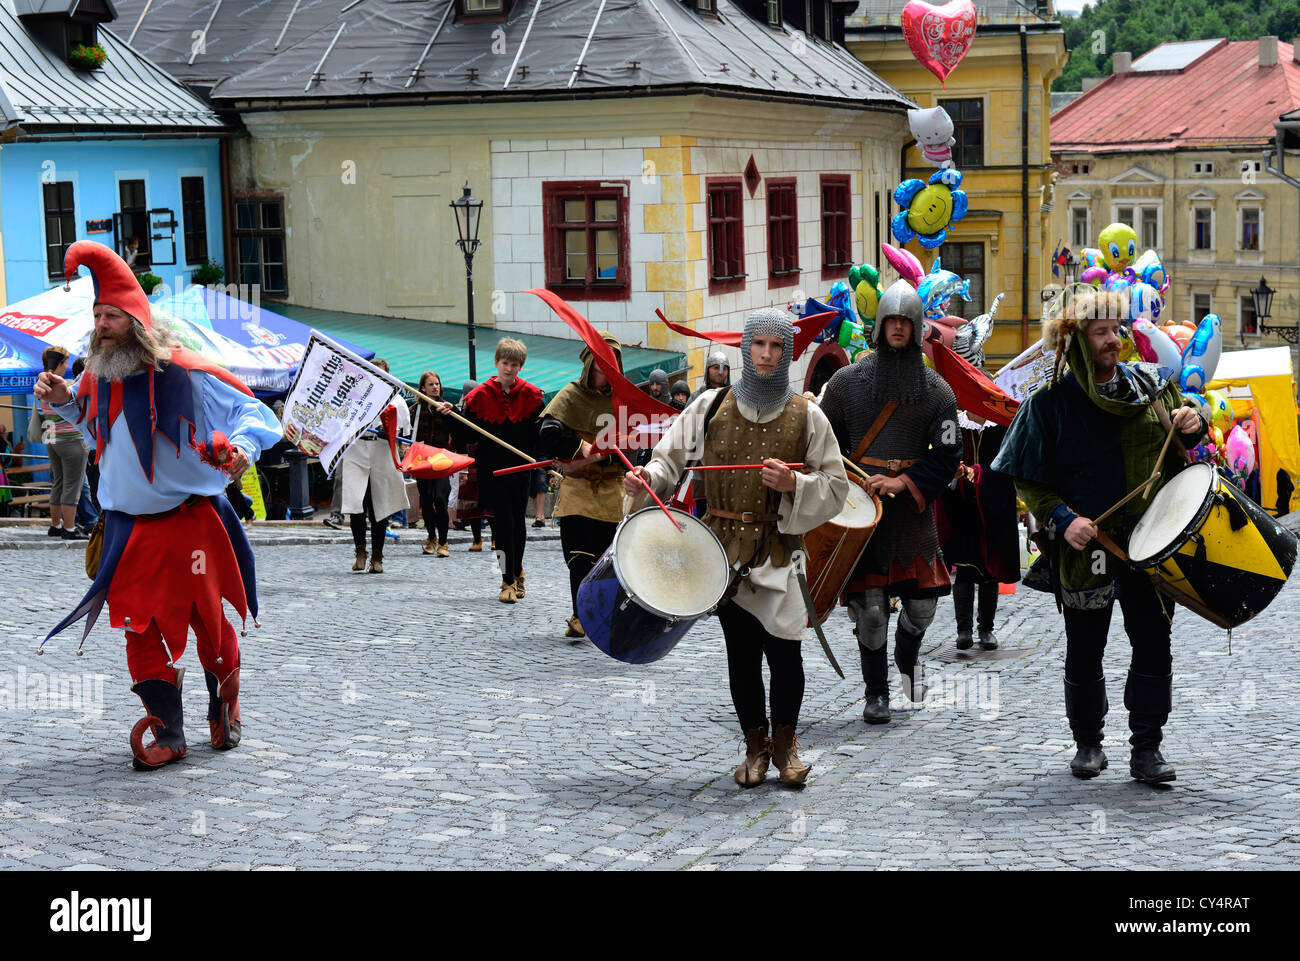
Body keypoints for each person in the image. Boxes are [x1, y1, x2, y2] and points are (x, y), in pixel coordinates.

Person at [37, 240, 281, 770]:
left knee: (209, 627)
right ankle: (168, 730)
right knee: (138, 628)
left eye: (113, 316)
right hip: (130, 530)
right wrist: (64, 403)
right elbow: (99, 428)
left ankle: (225, 701)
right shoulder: (95, 377)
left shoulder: (188, 374)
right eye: (97, 315)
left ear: (139, 323)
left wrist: (242, 449)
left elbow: (256, 413)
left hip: (192, 524)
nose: (101, 325)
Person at [624, 307, 848, 787]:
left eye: (775, 346)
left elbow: (835, 487)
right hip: (723, 554)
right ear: (746, 349)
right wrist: (646, 479)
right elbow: (669, 462)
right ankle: (754, 746)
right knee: (741, 655)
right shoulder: (708, 406)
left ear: (787, 353)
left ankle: (786, 748)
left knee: (785, 653)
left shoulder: (808, 415)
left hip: (780, 552)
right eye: (759, 345)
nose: (766, 355)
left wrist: (794, 484)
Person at [992, 289, 1206, 784]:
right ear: (1077, 340)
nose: (1114, 339)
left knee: (1154, 643)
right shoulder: (1050, 404)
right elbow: (1026, 476)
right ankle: (1088, 743)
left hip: (1152, 545)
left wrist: (1193, 423)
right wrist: (1063, 519)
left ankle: (1147, 748)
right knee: (1084, 646)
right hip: (1088, 548)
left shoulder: (1153, 387)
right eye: (1101, 332)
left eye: (1117, 329)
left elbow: (1186, 439)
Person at [820, 280, 962, 726]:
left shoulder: (938, 392)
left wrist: (904, 482)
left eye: (906, 321)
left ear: (917, 326)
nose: (898, 327)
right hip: (864, 511)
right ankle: (876, 693)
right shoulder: (846, 383)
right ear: (880, 325)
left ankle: (908, 652)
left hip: (911, 514)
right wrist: (852, 487)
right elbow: (824, 444)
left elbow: (949, 454)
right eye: (892, 320)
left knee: (921, 609)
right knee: (872, 610)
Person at [537, 330, 627, 638]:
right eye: (600, 365)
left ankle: (598, 614)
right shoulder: (572, 394)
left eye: (610, 365)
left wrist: (593, 458)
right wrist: (582, 449)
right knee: (578, 556)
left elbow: (632, 447)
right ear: (590, 364)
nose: (604, 372)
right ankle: (579, 616)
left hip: (611, 490)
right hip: (577, 488)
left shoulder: (624, 399)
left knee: (604, 560)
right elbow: (548, 433)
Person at [443, 339, 543, 603]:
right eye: (505, 363)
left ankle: (517, 571)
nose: (509, 369)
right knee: (500, 525)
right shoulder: (479, 396)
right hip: (491, 469)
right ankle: (506, 578)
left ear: (520, 366)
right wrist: (451, 415)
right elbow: (465, 436)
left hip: (520, 467)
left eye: (514, 364)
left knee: (517, 522)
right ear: (497, 363)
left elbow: (539, 434)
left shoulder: (532, 396)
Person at [939, 423, 1019, 650]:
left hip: (994, 507)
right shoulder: (954, 427)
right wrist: (955, 472)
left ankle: (986, 629)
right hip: (961, 508)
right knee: (964, 569)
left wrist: (979, 472)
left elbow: (1008, 465)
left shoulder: (1001, 428)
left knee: (989, 572)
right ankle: (963, 631)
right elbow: (942, 459)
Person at [338, 358, 410, 574]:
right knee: (356, 504)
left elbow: (403, 435)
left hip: (382, 450)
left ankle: (377, 557)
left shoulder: (397, 401)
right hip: (357, 449)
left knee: (381, 505)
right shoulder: (353, 397)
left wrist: (394, 435)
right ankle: (360, 552)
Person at [36, 346, 90, 540]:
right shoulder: (64, 385)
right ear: (58, 363)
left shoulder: (41, 383)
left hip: (52, 440)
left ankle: (55, 525)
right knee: (73, 485)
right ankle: (69, 528)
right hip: (71, 441)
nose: (67, 365)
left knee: (58, 482)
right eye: (65, 362)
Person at [410, 371, 453, 557]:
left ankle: (443, 542)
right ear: (423, 388)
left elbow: (459, 434)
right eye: (431, 384)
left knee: (440, 499)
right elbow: (408, 437)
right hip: (422, 461)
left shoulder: (447, 409)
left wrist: (453, 413)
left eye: (437, 384)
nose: (435, 387)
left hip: (442, 460)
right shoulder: (415, 411)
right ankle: (431, 537)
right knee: (426, 501)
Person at [450, 379, 484, 552]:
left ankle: (496, 539)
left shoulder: (483, 409)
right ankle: (477, 539)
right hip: (469, 460)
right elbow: (460, 435)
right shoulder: (464, 409)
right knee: (471, 503)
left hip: (485, 459)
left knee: (488, 503)